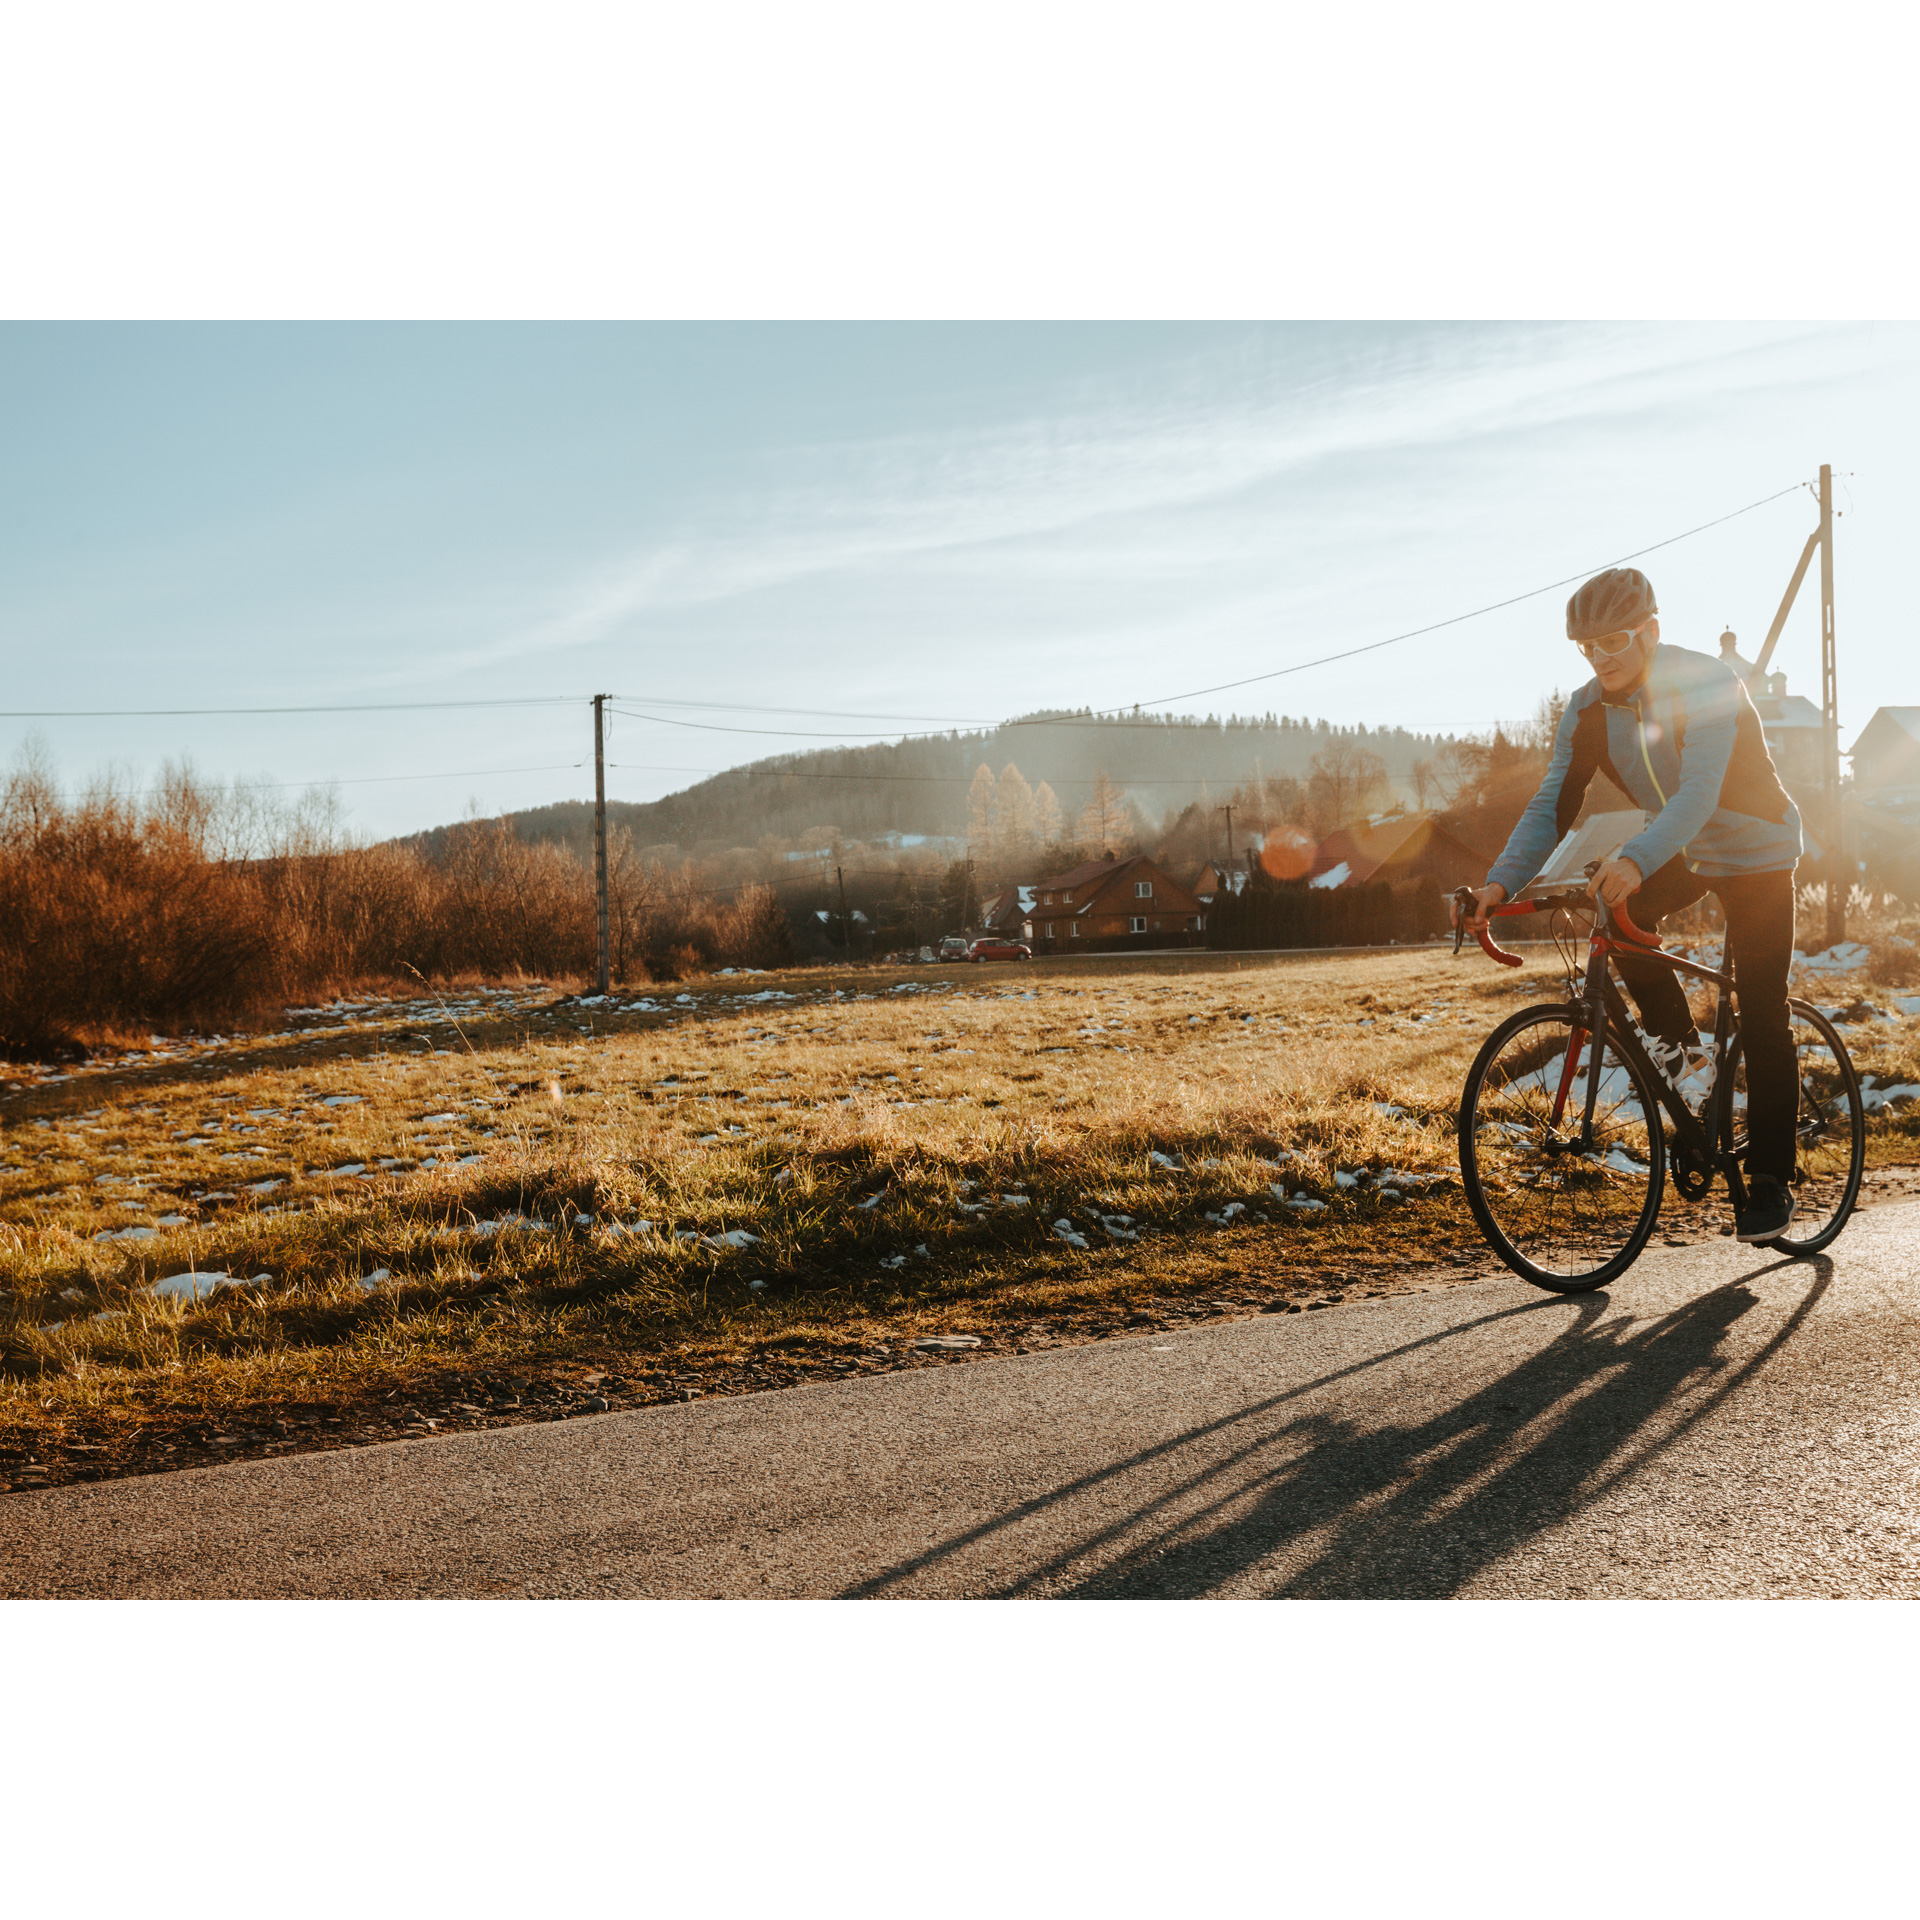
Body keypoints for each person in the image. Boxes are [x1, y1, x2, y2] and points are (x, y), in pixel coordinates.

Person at [1452, 566, 1804, 1242]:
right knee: (1616, 916)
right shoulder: (1586, 710)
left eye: (1614, 641)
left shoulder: (1703, 682)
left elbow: (1699, 790)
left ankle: (1769, 1180)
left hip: (1755, 848)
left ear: (1650, 633)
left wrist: (1636, 859)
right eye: (1588, 647)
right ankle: (1690, 1065)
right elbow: (1552, 805)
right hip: (1684, 843)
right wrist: (1498, 886)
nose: (1602, 658)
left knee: (1760, 1007)